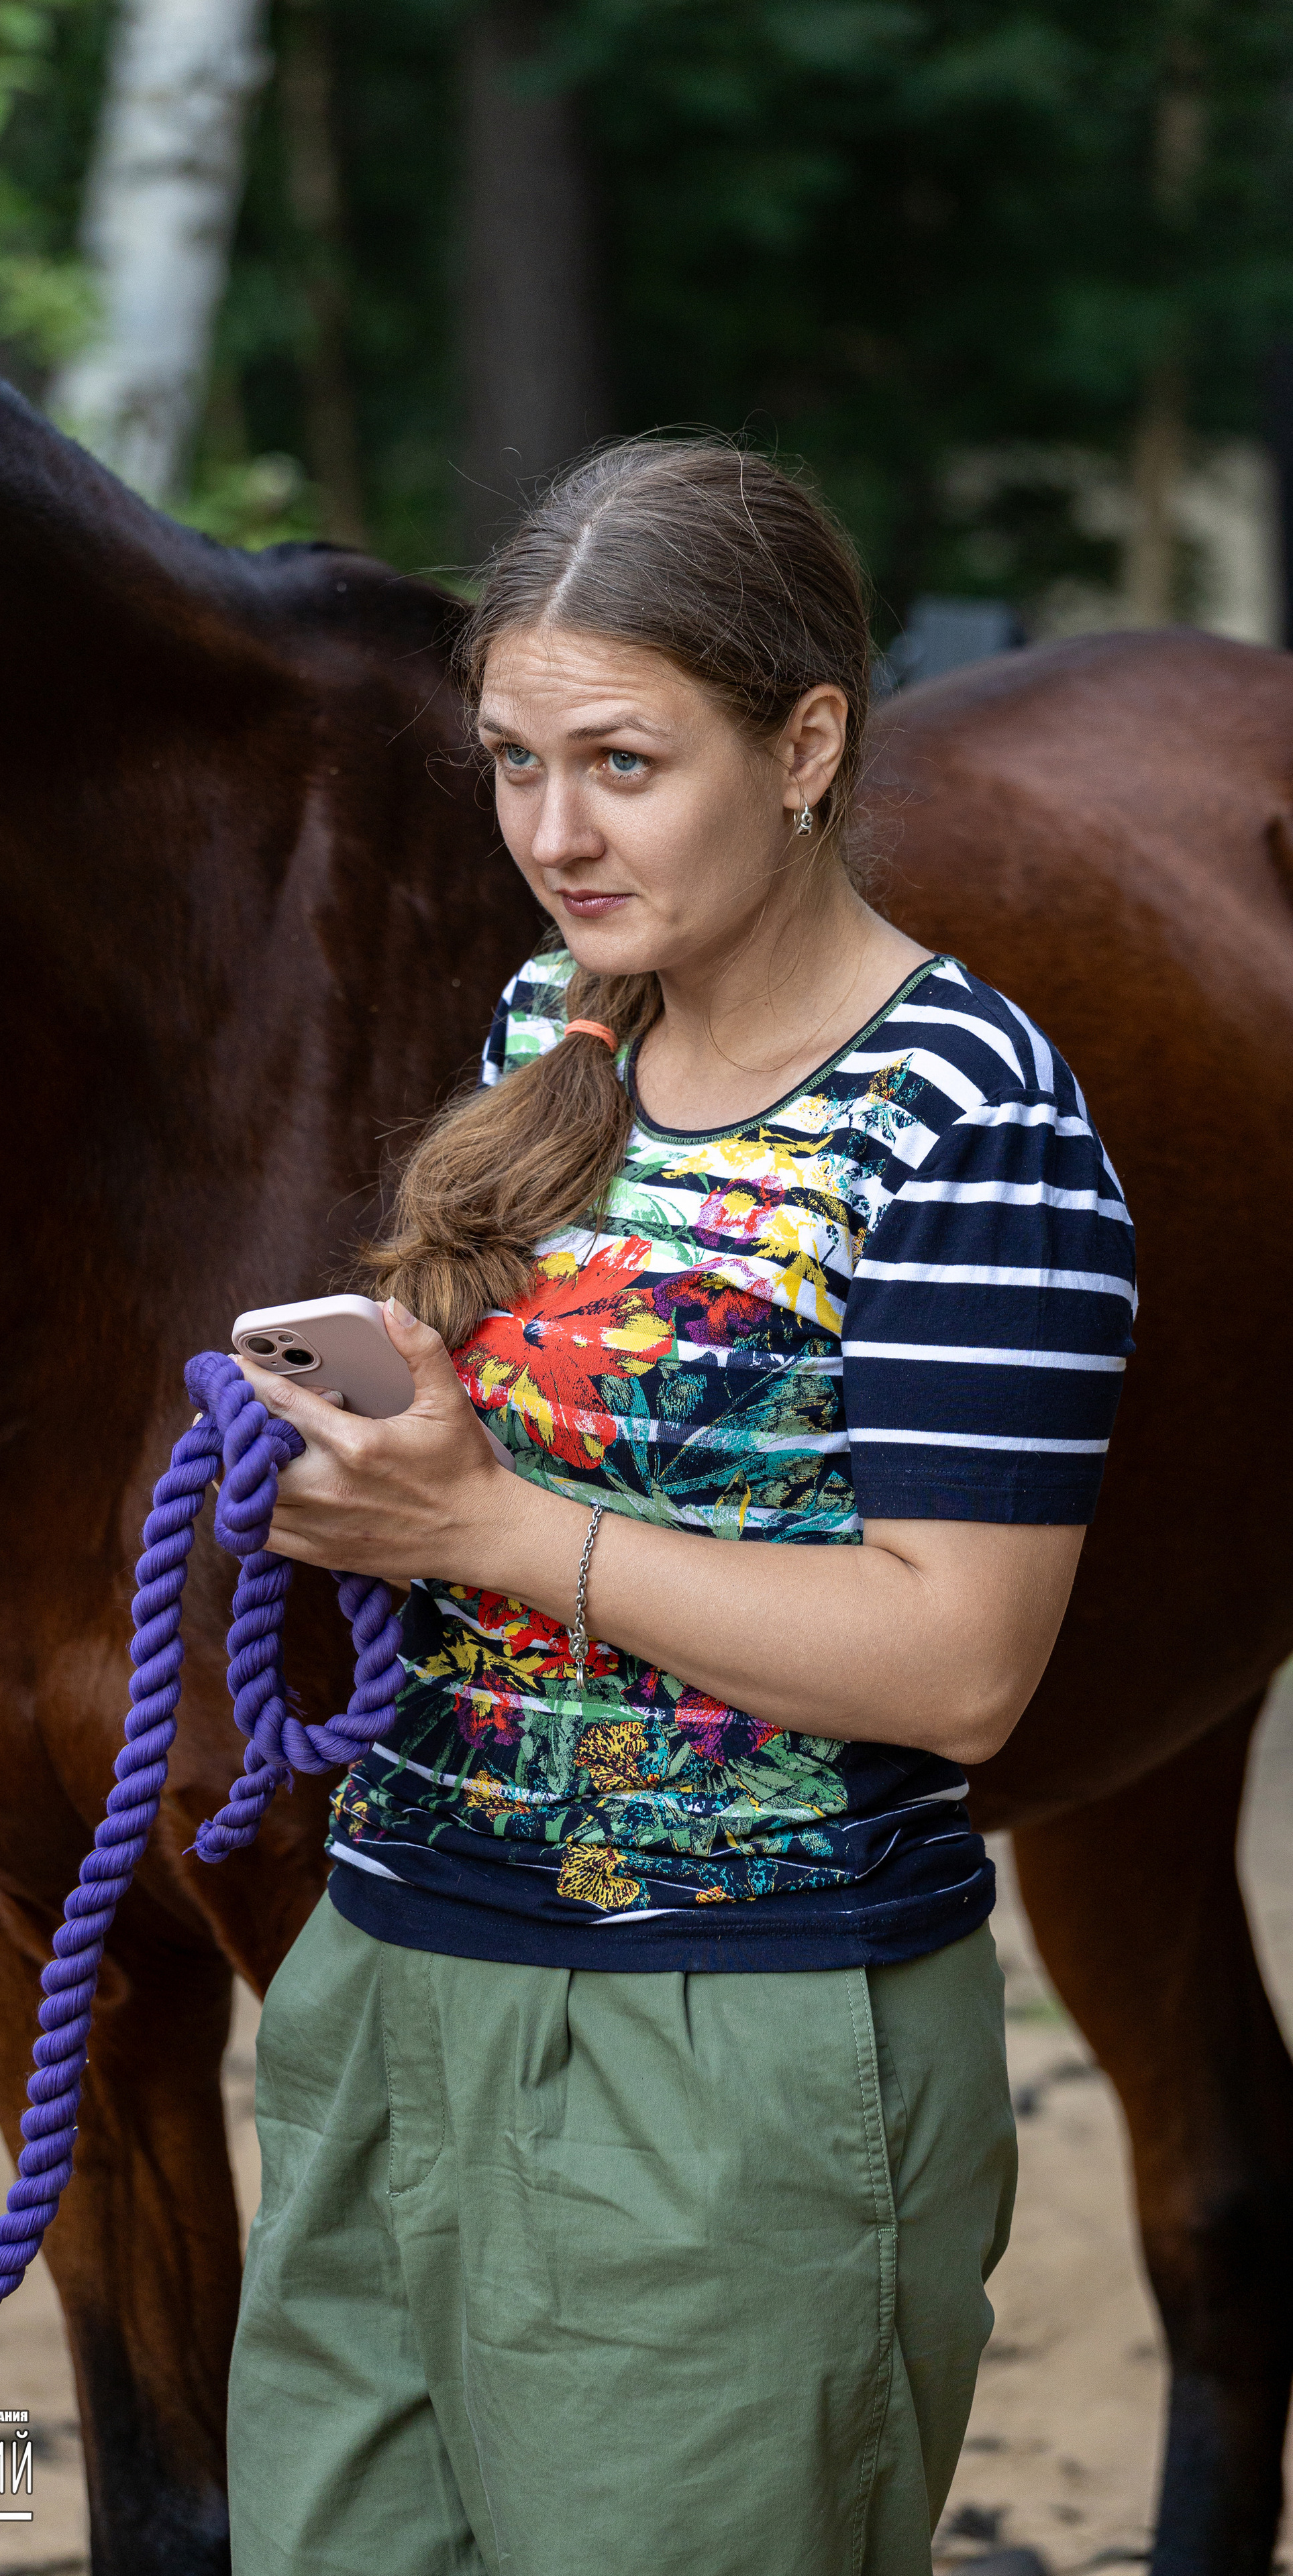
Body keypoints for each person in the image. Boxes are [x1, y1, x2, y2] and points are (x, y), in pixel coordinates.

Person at [226, 437, 1135, 2575]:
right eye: (515, 764)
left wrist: (492, 1533)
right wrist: (372, 1469)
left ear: (806, 742)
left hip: (736, 2046)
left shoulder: (971, 1122)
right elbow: (521, 1465)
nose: (554, 834)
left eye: (624, 762)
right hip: (390, 1989)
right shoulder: (560, 1022)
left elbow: (969, 1664)